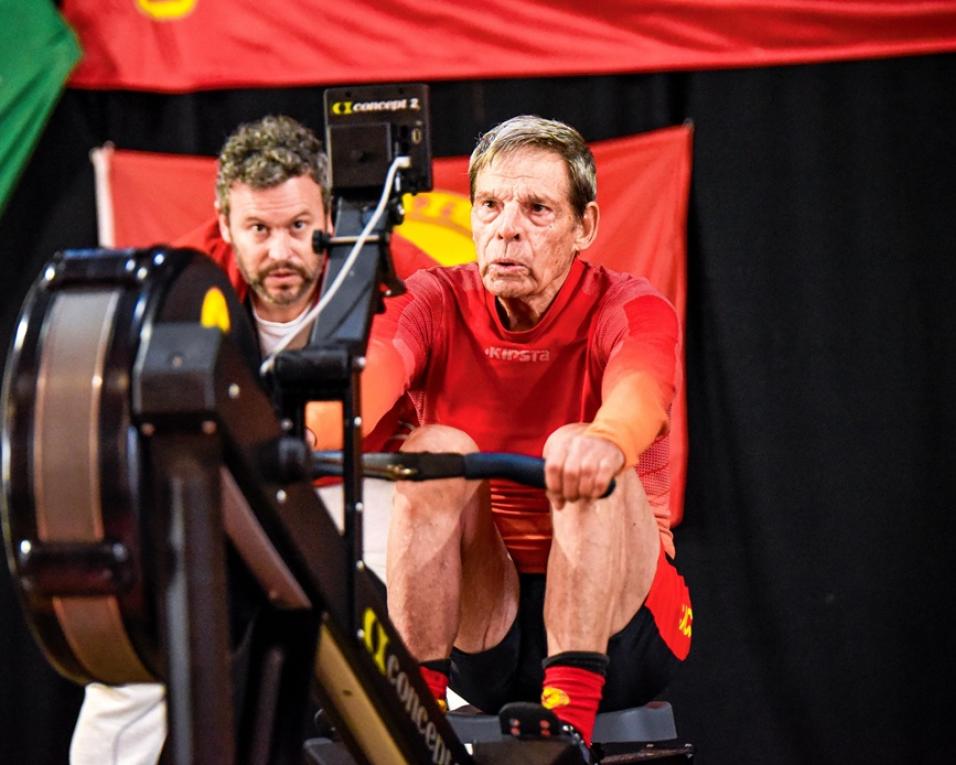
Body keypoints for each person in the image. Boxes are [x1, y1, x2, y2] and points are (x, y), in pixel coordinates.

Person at [307, 114, 693, 750]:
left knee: (578, 442)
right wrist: (302, 432)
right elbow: (371, 375)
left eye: (537, 209)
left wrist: (606, 440)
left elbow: (641, 390)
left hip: (626, 635)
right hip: (492, 631)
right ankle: (415, 706)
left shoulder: (628, 304)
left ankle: (568, 720)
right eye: (489, 205)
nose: (507, 227)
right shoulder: (433, 299)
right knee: (432, 451)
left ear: (584, 227)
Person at [69, 114, 414, 764]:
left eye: (298, 226)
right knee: (136, 650)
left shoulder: (387, 265)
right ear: (225, 224)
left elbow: (392, 376)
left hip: (356, 486)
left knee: (417, 593)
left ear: (330, 214)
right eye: (258, 229)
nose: (281, 251)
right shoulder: (180, 286)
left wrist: (293, 440)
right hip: (223, 496)